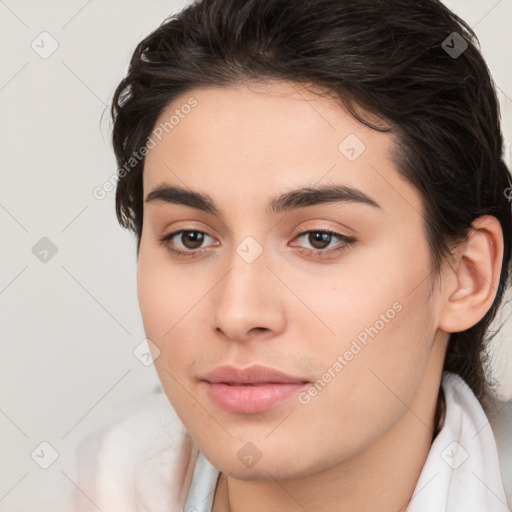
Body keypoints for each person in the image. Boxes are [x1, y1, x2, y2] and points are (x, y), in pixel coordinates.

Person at [70, 0, 512, 511]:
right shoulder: (92, 486)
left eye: (320, 238)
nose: (237, 314)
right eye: (191, 238)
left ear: (467, 275)